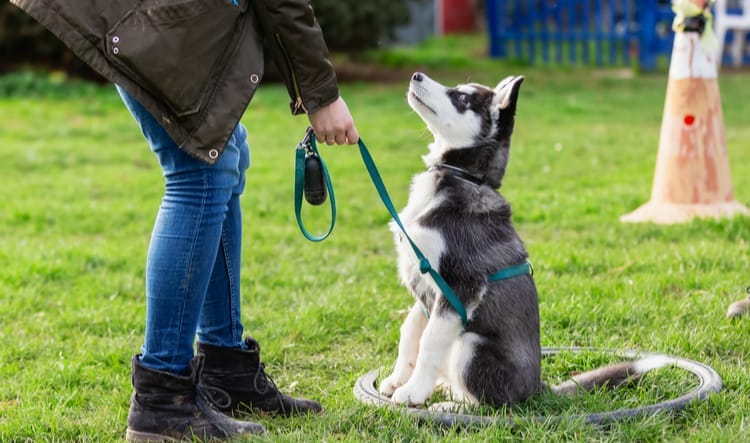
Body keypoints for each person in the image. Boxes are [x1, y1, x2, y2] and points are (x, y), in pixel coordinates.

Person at [11, 0, 358, 441]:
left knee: (225, 156)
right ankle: (162, 400)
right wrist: (321, 96)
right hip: (148, 18)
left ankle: (226, 367)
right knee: (199, 175)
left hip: (159, 14)